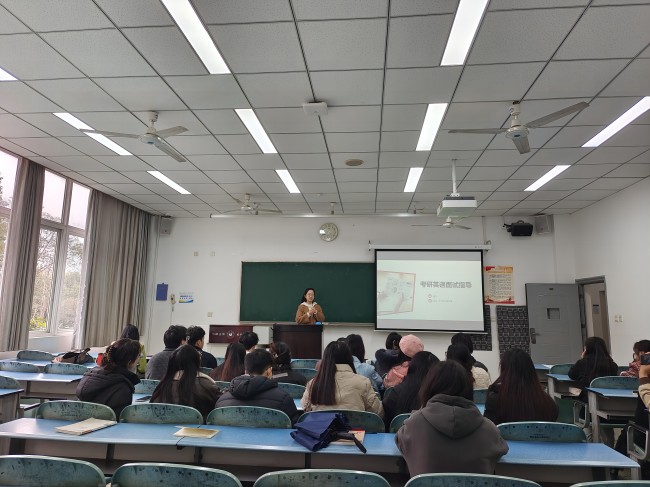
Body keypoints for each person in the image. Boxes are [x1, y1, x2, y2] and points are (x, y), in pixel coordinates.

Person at [396, 360, 508, 477]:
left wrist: (421, 410)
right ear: (468, 389)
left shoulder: (413, 425)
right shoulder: (489, 430)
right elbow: (502, 449)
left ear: (429, 387)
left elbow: (400, 441)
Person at [215, 349, 300, 424]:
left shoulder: (222, 401)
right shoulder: (283, 399)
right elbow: (293, 426)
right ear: (269, 371)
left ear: (245, 371)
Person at [301, 340, 383, 417]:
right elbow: (378, 412)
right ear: (350, 358)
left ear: (325, 360)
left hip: (321, 427)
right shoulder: (363, 382)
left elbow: (305, 409)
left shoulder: (314, 383)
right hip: (355, 427)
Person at [483, 348, 557, 425]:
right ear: (531, 371)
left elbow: (489, 428)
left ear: (504, 371)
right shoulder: (549, 403)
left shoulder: (495, 400)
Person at [150, 344, 220, 419]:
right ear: (197, 363)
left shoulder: (161, 388)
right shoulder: (207, 386)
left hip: (165, 425)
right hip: (198, 426)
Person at [76, 338, 141, 418]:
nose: (139, 360)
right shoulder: (123, 388)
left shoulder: (89, 375)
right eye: (139, 356)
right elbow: (118, 420)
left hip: (79, 423)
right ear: (129, 362)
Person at [382, 351, 439, 428]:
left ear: (412, 367)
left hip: (395, 434)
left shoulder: (395, 392)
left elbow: (385, 420)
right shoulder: (438, 394)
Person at [568, 336, 618, 402]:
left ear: (587, 349)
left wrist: (583, 358)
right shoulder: (612, 365)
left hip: (587, 398)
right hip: (609, 399)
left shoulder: (582, 363)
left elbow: (571, 375)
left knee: (571, 389)